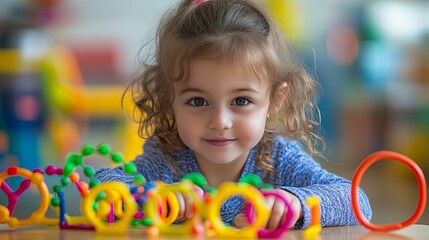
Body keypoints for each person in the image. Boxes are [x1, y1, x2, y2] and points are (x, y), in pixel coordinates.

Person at [93, 0, 372, 230]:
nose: (220, 121)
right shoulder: (167, 158)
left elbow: (357, 201)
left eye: (241, 100)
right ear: (170, 101)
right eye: (198, 101)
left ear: (274, 100)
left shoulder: (278, 158)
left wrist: (294, 202)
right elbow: (104, 186)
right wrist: (154, 198)